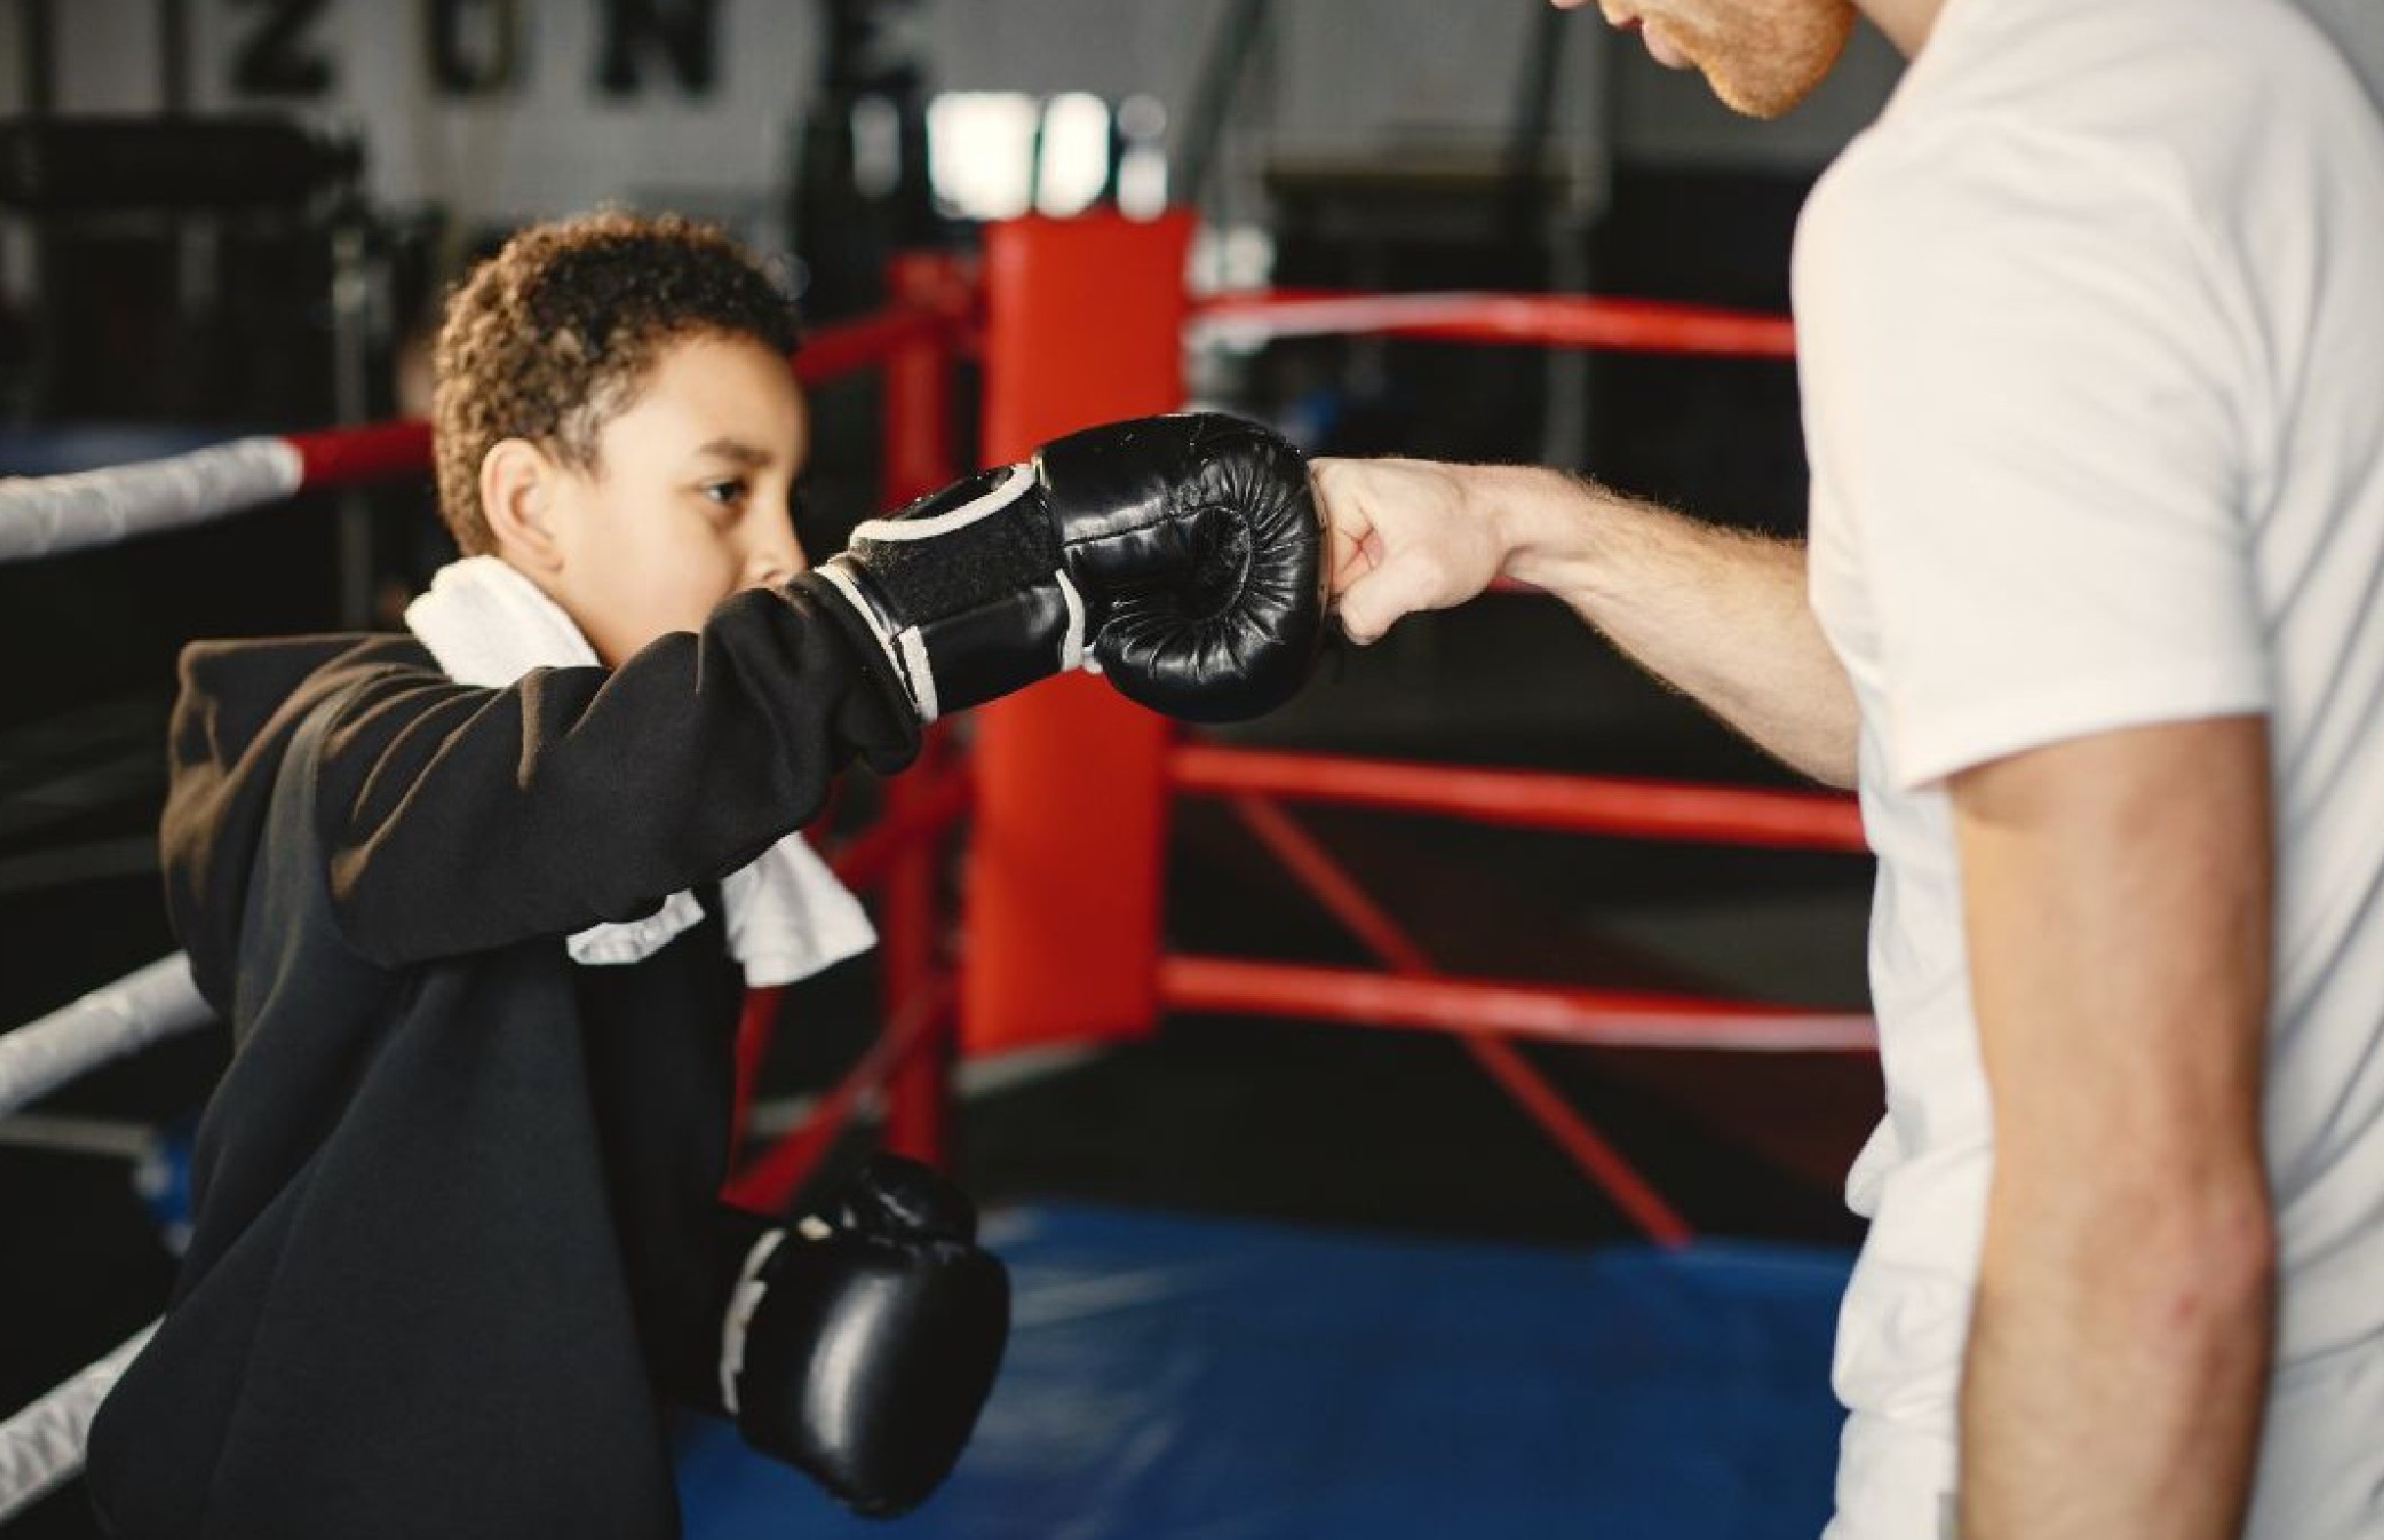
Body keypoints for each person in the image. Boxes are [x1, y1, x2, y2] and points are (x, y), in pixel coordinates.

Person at [83, 209, 1325, 1538]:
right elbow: (552, 805)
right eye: (727, 491)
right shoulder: (366, 757)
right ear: (527, 506)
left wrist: (724, 1303)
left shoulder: (658, 824)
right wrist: (943, 600)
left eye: (793, 495)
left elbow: (482, 1193)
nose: (785, 552)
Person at [1314, 1, 2384, 1536]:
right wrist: (1528, 527)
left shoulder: (2002, 191)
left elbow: (2138, 1232)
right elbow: (1948, 694)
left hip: (2122, 1441)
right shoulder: (2281, 63)